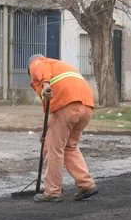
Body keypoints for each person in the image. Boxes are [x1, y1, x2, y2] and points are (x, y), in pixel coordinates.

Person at [27, 54, 98, 203]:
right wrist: (46, 132)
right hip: (86, 107)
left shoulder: (39, 63)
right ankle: (86, 184)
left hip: (66, 105)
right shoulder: (60, 68)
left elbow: (39, 65)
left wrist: (45, 84)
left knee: (54, 148)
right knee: (70, 147)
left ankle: (52, 191)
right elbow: (51, 113)